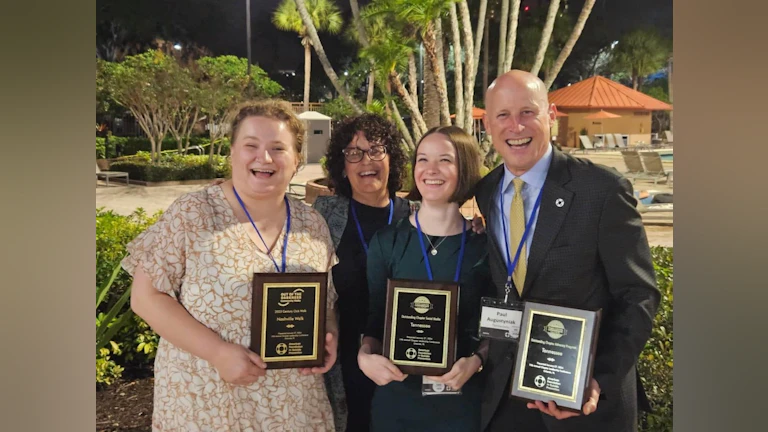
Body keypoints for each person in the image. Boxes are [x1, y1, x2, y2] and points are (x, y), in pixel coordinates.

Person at [124, 99, 339, 431]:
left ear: (297, 160)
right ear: (233, 153)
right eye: (250, 145)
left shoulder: (312, 224)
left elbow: (324, 303)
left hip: (292, 407)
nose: (263, 158)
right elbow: (146, 297)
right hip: (208, 404)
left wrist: (330, 333)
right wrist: (218, 352)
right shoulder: (193, 213)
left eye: (278, 148)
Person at [474, 69, 660, 432]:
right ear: (488, 126)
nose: (516, 126)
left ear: (551, 116)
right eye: (503, 115)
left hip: (583, 403)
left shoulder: (602, 191)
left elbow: (638, 294)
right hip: (507, 397)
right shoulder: (486, 191)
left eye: (528, 112)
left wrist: (599, 380)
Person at [358, 126, 494, 431]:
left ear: (466, 168)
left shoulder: (484, 246)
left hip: (464, 403)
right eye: (422, 159)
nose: (431, 170)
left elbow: (497, 327)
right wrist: (365, 357)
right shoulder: (387, 242)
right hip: (397, 402)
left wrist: (477, 361)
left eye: (445, 160)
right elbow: (373, 321)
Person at [312, 114, 413, 432]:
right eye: (353, 153)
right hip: (342, 361)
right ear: (342, 166)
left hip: (405, 359)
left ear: (391, 159)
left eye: (376, 150)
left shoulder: (417, 217)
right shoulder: (323, 216)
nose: (365, 160)